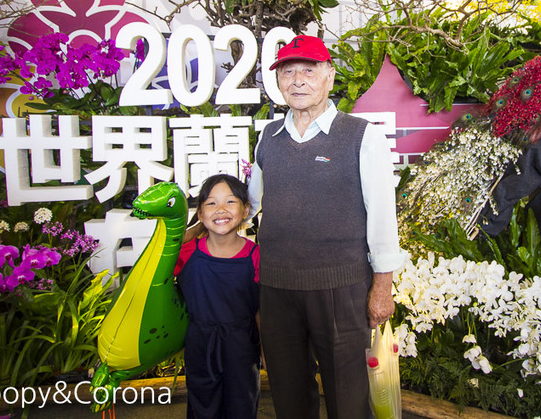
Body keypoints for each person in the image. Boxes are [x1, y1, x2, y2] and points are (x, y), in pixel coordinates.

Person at [248, 34, 408, 419]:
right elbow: (251, 204)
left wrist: (382, 288)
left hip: (341, 289)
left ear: (329, 76)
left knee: (348, 396)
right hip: (277, 288)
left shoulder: (361, 136)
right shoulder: (268, 137)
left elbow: (382, 215)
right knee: (288, 393)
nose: (297, 81)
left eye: (308, 70)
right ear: (278, 80)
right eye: (288, 72)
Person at [174, 173, 261, 419]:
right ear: (200, 214)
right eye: (211, 203)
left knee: (242, 406)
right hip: (200, 344)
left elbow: (261, 309)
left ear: (245, 210)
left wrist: (266, 351)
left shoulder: (256, 255)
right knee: (202, 406)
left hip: (242, 346)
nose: (221, 209)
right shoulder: (186, 252)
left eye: (230, 202)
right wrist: (194, 230)